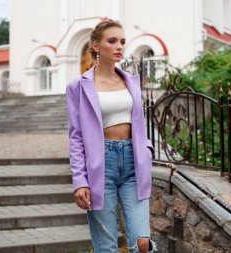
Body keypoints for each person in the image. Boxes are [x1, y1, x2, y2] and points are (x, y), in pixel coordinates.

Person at [66, 19, 157, 253]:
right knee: (106, 246)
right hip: (101, 165)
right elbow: (76, 136)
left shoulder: (130, 81)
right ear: (96, 46)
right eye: (112, 41)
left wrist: (146, 149)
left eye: (122, 41)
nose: (119, 46)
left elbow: (139, 123)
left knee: (142, 244)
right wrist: (79, 180)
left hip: (133, 162)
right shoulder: (79, 85)